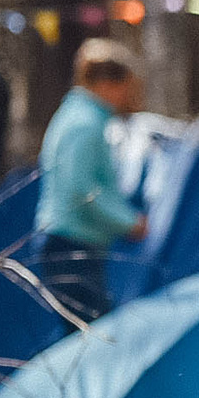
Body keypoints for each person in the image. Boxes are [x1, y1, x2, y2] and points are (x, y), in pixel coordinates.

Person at [33, 41, 148, 324]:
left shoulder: (76, 116)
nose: (127, 97)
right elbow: (82, 190)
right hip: (71, 245)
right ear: (107, 84)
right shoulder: (85, 124)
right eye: (125, 88)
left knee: (80, 332)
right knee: (89, 335)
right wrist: (128, 222)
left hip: (69, 243)